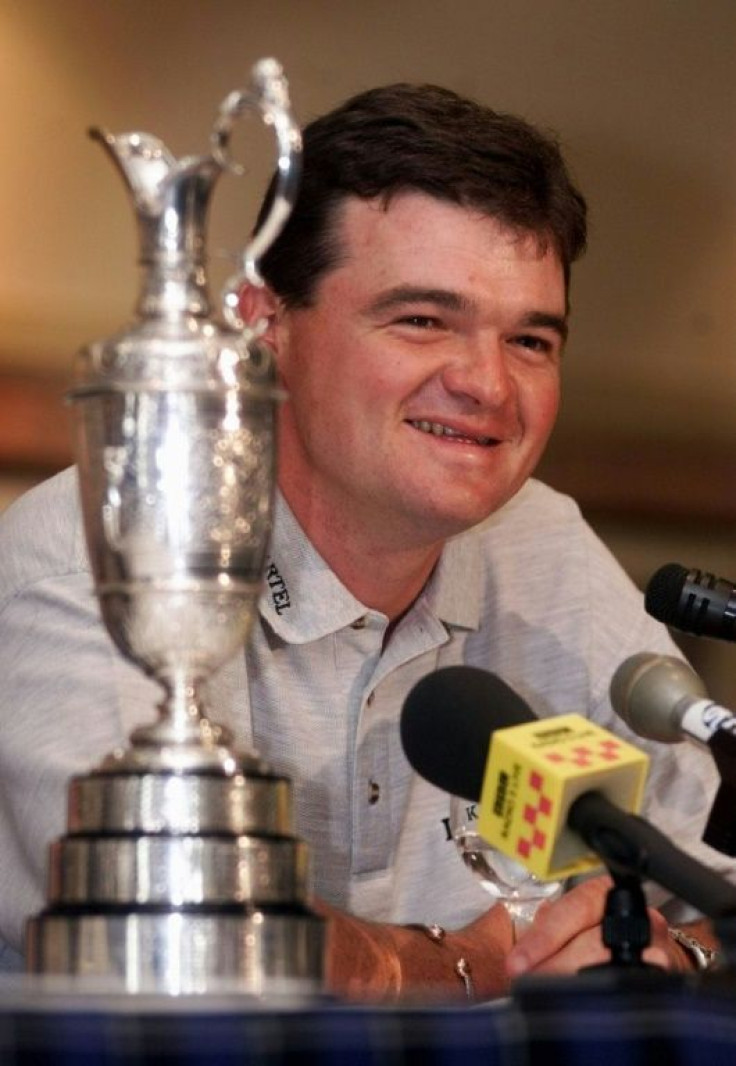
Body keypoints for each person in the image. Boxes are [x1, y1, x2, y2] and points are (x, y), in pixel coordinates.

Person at [0, 83, 729, 1001]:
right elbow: (196, 940)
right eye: (423, 320)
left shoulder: (540, 545)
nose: (488, 387)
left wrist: (670, 954)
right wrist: (477, 962)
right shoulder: (101, 554)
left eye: (532, 341)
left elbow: (709, 894)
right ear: (264, 325)